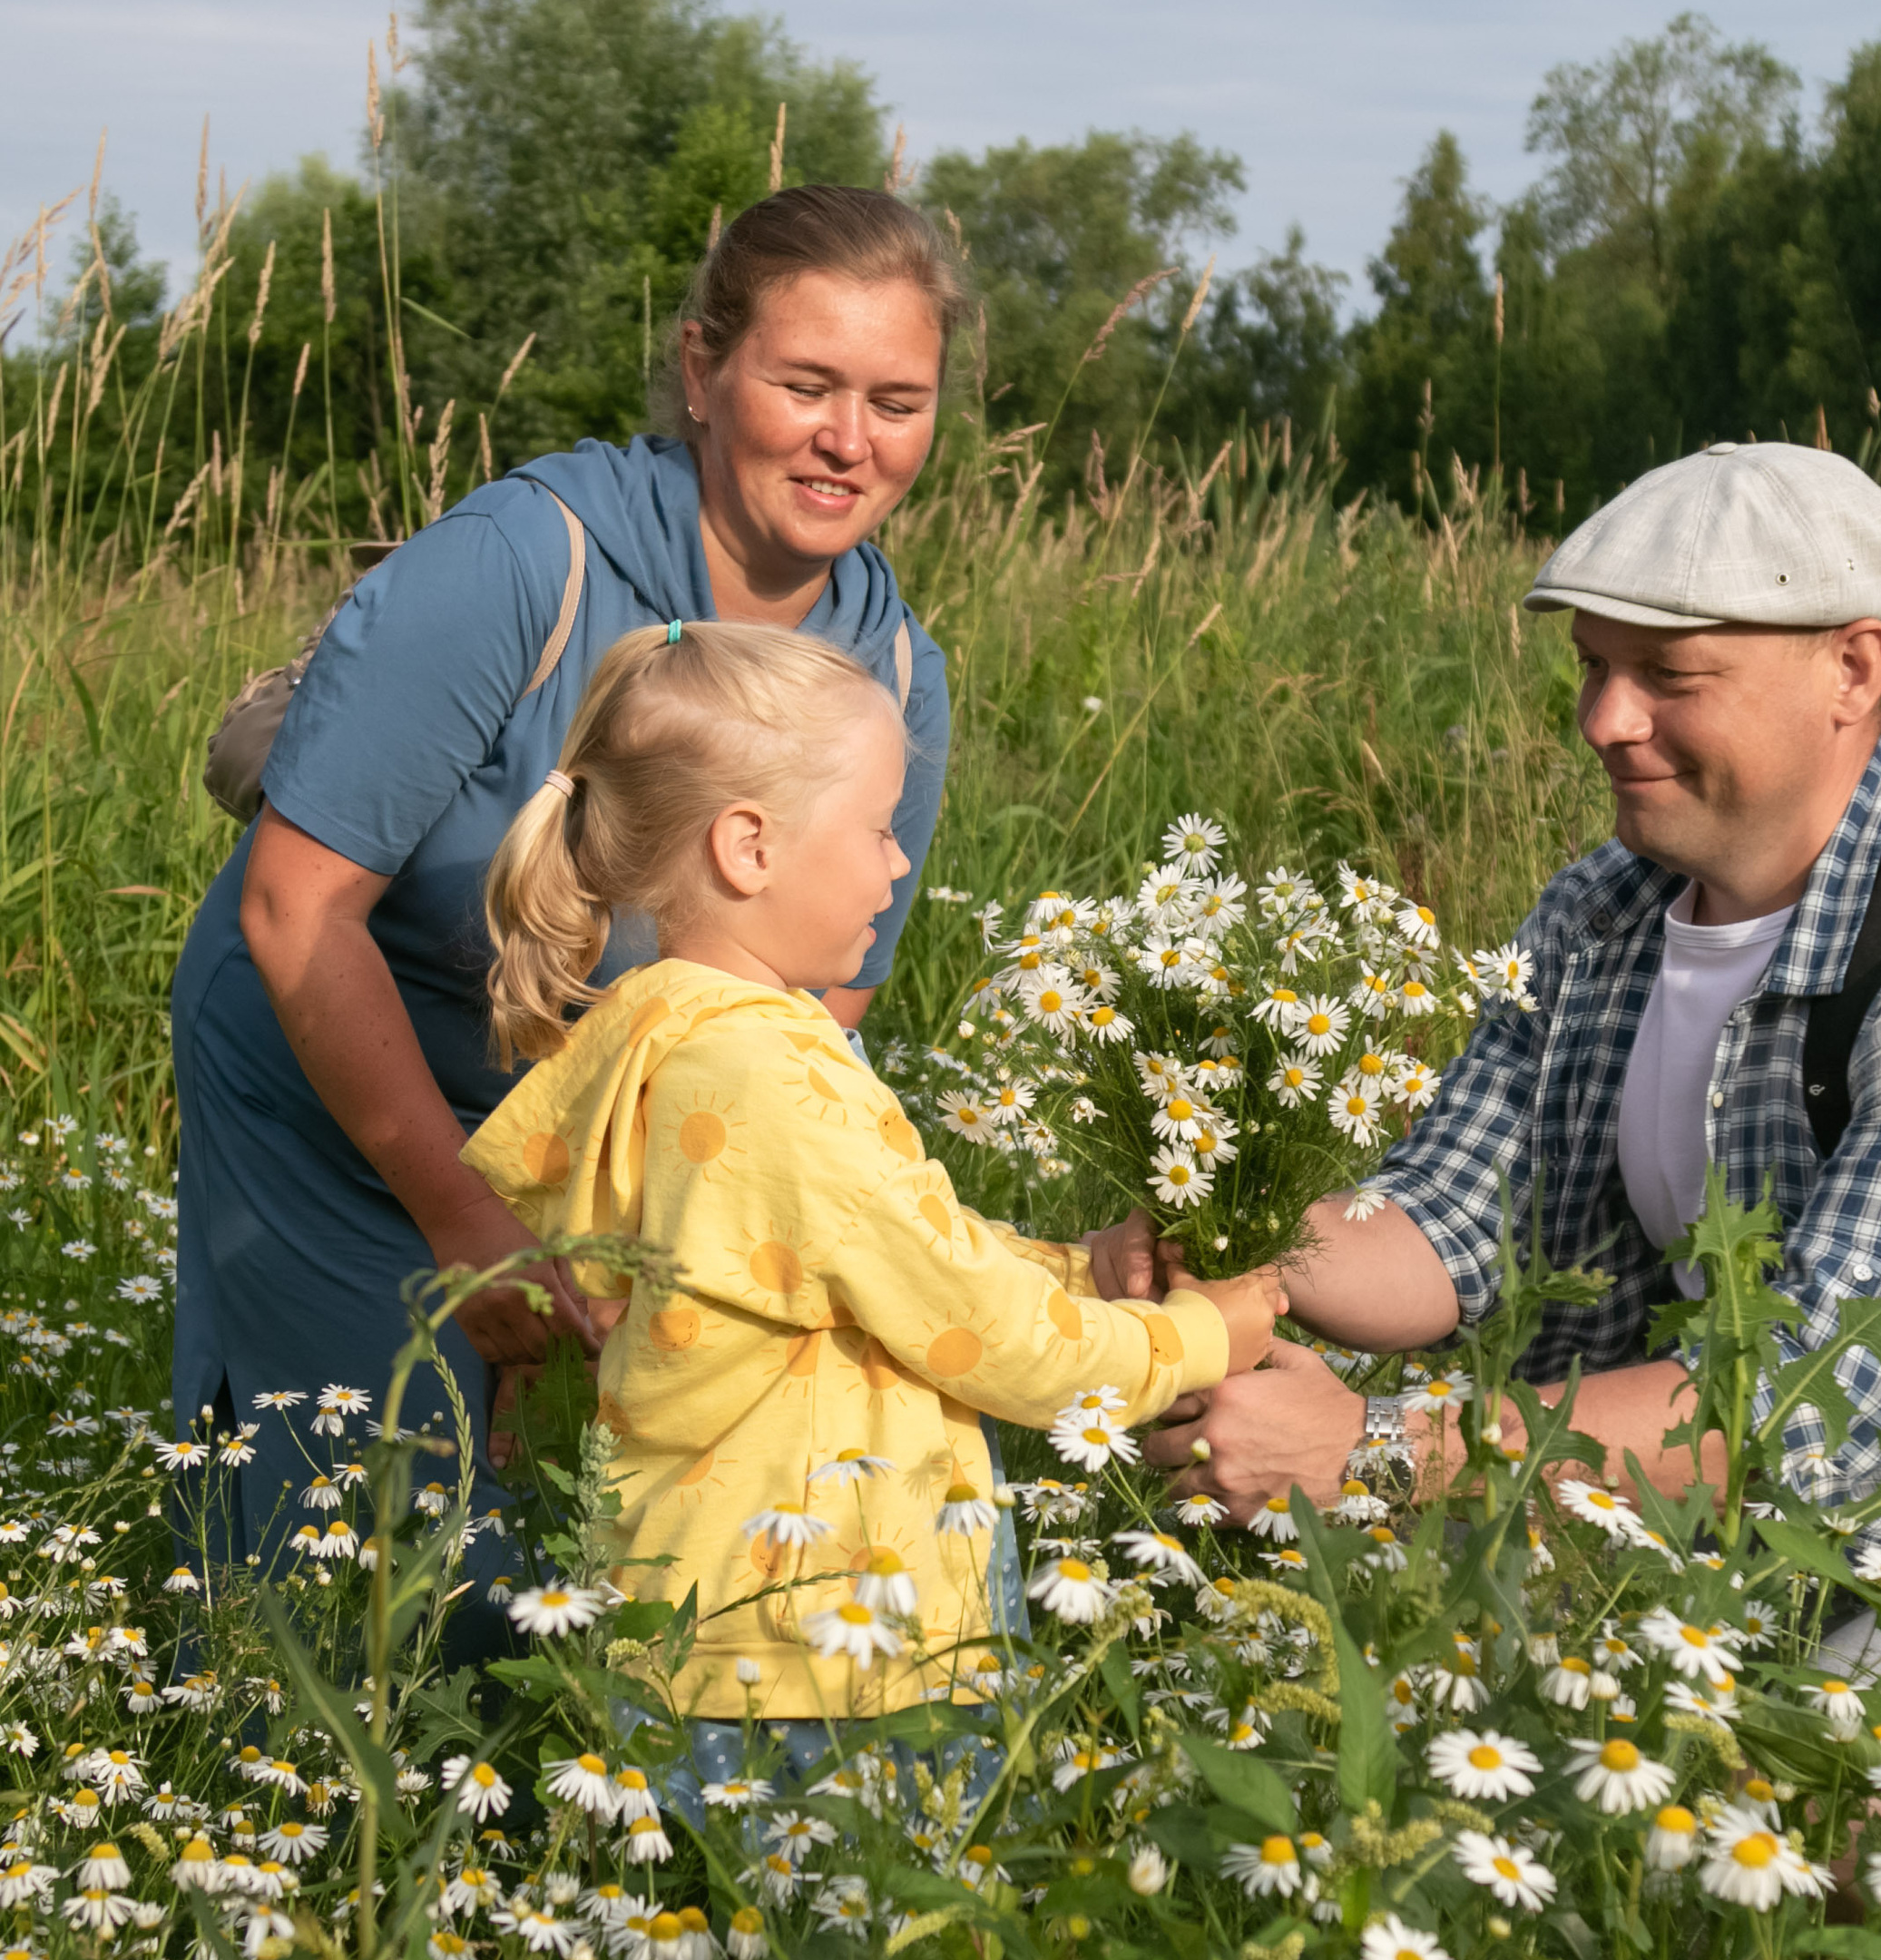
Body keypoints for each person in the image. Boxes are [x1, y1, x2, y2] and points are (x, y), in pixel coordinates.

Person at [1098, 440, 1881, 1596]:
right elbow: (1451, 1218)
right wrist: (1238, 1250)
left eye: (1670, 678)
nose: (1603, 721)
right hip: (1775, 1565)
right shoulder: (1606, 910)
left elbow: (1801, 1407)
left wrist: (1376, 1451)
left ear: (1854, 671)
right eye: (1593, 666)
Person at [170, 187, 965, 1595]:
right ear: (704, 368)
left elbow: (807, 1014)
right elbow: (297, 910)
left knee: (592, 1550)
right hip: (343, 1089)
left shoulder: (893, 671)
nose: (851, 440)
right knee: (376, 1549)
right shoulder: (520, 563)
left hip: (601, 1143)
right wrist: (472, 1228)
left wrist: (641, 1249)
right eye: (805, 386)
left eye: (897, 402)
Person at [460, 619, 1284, 1721]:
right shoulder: (773, 1078)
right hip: (822, 1661)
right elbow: (987, 1336)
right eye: (879, 827)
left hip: (689, 1624)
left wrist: (1079, 1267)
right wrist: (1199, 1336)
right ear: (749, 848)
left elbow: (883, 1255)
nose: (899, 861)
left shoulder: (653, 1039)